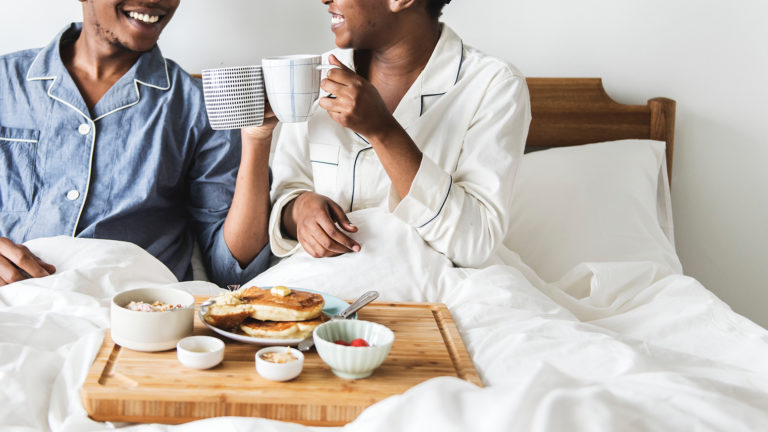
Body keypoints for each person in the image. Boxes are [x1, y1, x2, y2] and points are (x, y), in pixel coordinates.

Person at [0, 0, 277, 286]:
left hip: (132, 312)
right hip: (15, 307)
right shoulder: (5, 82)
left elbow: (232, 273)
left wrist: (257, 139)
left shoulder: (202, 108)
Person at [268, 0, 531, 267]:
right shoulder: (310, 76)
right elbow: (286, 196)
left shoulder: (494, 85)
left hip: (437, 291)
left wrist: (383, 130)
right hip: (322, 288)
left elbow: (474, 243)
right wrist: (300, 209)